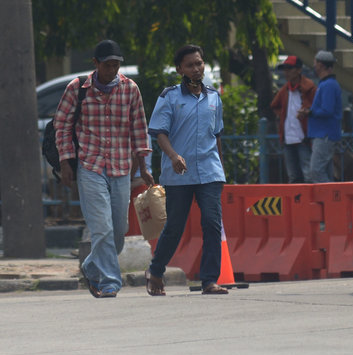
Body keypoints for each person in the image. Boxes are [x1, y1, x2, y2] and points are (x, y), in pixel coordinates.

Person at [55, 39, 153, 298]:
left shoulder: (130, 88)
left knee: (118, 231)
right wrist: (66, 162)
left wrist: (143, 165)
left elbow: (139, 128)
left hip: (121, 167)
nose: (112, 70)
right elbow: (62, 125)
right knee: (102, 228)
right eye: (107, 65)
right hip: (90, 165)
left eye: (116, 65)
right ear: (96, 64)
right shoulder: (77, 88)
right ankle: (110, 282)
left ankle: (90, 265)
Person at [145, 44, 229, 295]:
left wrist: (221, 171)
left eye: (199, 63)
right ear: (180, 68)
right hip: (178, 173)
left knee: (212, 224)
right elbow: (159, 132)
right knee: (175, 227)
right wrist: (173, 156)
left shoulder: (214, 96)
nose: (196, 68)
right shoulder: (169, 97)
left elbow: (217, 135)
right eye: (190, 65)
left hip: (210, 172)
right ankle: (156, 270)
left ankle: (209, 280)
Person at [299, 50, 342, 183]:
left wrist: (309, 113)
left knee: (316, 170)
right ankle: (331, 199)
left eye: (315, 62)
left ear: (321, 65)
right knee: (326, 171)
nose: (314, 64)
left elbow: (327, 110)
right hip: (323, 133)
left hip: (325, 134)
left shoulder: (328, 85)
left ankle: (332, 198)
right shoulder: (326, 84)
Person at [271, 56, 316, 183]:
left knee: (308, 175)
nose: (286, 72)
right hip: (288, 139)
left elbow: (316, 108)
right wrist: (282, 115)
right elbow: (274, 105)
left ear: (298, 70)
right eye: (285, 69)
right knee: (293, 176)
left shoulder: (309, 88)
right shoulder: (285, 89)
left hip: (303, 138)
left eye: (289, 69)